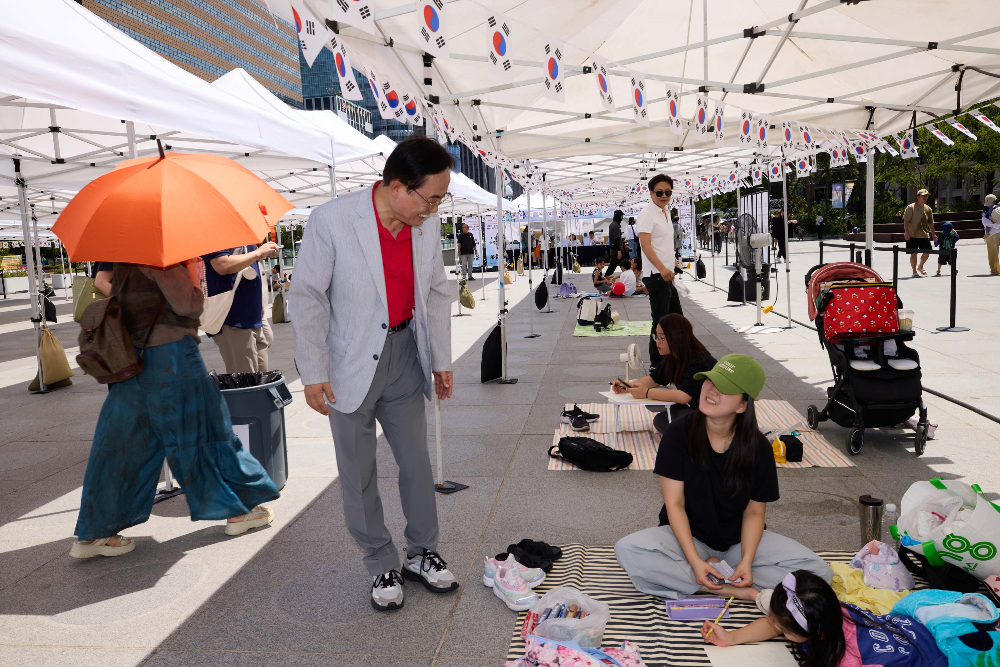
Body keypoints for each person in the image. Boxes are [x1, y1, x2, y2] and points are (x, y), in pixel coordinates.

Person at [292, 136, 457, 612]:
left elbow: (438, 291)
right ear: (399, 186)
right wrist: (314, 370)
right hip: (349, 360)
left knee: (416, 461)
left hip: (405, 352)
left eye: (440, 199)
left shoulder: (423, 224)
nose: (434, 209)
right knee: (358, 469)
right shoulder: (334, 220)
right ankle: (379, 560)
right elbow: (307, 296)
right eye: (430, 198)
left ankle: (422, 553)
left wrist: (441, 359)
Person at [70, 260, 279, 559]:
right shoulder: (164, 249)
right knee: (204, 428)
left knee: (122, 441)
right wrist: (192, 275)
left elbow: (104, 281)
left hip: (131, 355)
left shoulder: (120, 245)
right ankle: (239, 510)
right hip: (172, 353)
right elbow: (187, 303)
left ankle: (95, 531)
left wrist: (135, 300)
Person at [615, 354, 832, 601]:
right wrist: (696, 561)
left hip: (739, 545)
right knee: (628, 549)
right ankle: (721, 586)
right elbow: (675, 505)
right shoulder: (678, 433)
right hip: (688, 540)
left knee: (819, 573)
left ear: (742, 406)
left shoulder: (758, 447)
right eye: (710, 381)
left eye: (725, 389)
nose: (711, 391)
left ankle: (708, 577)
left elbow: (754, 513)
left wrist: (747, 561)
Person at [700, 570, 947, 667]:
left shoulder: (850, 661)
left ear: (816, 635)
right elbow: (773, 623)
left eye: (782, 628)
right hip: (912, 632)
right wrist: (730, 637)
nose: (773, 626)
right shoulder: (828, 611)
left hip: (935, 655)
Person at [612, 313, 716, 430]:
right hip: (700, 409)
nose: (657, 341)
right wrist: (627, 386)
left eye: (662, 338)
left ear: (676, 338)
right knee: (662, 419)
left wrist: (646, 393)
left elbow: (683, 396)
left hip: (716, 413)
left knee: (671, 417)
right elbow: (655, 379)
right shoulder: (674, 355)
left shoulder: (697, 360)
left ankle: (699, 435)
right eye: (656, 336)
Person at [202, 242, 277, 373]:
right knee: (246, 382)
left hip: (251, 314)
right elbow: (222, 264)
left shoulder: (243, 230)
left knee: (259, 381)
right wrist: (258, 253)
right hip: (233, 318)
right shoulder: (216, 229)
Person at [637, 174, 683, 372]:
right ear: (651, 193)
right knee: (661, 321)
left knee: (676, 318)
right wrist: (662, 268)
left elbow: (663, 243)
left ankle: (675, 358)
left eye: (668, 192)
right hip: (656, 275)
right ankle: (657, 364)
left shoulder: (665, 211)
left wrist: (672, 263)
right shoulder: (647, 214)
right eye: (659, 192)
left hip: (666, 274)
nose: (664, 195)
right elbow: (645, 246)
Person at [903, 188, 936, 277]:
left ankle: (920, 266)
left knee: (928, 251)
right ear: (918, 197)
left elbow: (930, 222)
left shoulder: (928, 209)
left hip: (924, 234)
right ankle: (914, 272)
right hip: (912, 234)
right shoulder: (911, 207)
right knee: (913, 253)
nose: (925, 197)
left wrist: (934, 234)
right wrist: (906, 232)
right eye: (923, 195)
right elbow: (906, 220)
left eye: (926, 196)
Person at [983, 194, 1000, 275]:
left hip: (991, 233)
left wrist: (995, 225)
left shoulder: (985, 211)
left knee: (993, 252)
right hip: (995, 232)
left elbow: (985, 222)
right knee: (994, 252)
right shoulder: (997, 209)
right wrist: (997, 225)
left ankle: (994, 269)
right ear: (994, 201)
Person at [606, 210, 624, 278]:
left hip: (614, 249)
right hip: (617, 250)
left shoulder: (612, 224)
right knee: (623, 266)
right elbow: (617, 239)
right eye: (621, 216)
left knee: (613, 266)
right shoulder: (616, 226)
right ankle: (605, 279)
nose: (622, 218)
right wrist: (619, 251)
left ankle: (605, 278)